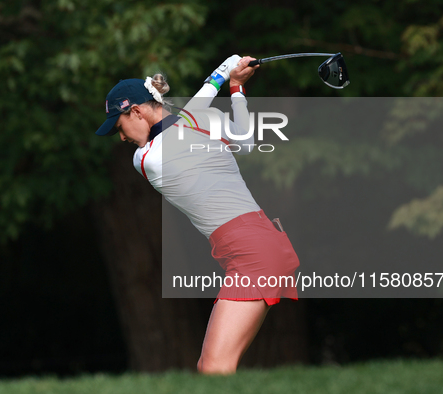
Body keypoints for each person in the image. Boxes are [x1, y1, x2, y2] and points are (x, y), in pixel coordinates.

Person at [95, 55, 300, 374]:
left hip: (253, 251)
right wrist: (230, 85)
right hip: (255, 246)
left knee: (215, 366)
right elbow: (223, 135)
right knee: (211, 365)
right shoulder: (148, 158)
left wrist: (229, 84)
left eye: (118, 126)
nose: (121, 137)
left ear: (136, 111)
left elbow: (241, 142)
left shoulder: (169, 140)